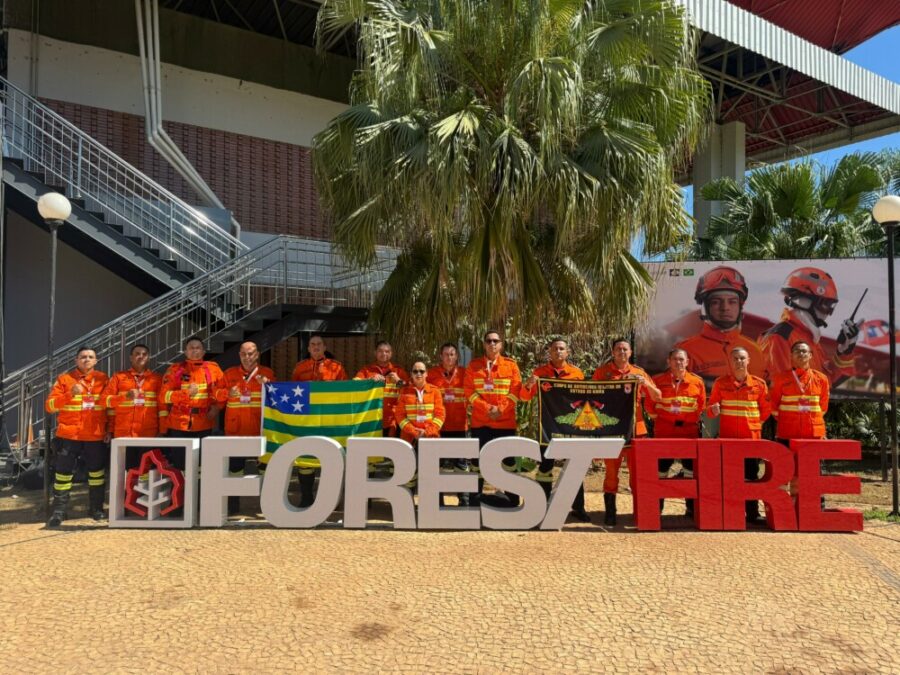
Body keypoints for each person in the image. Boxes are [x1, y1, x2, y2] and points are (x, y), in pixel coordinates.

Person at [591, 338, 662, 525]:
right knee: (611, 473)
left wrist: (646, 384)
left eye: (625, 349)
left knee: (637, 473)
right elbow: (590, 398)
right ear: (613, 352)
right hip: (612, 431)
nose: (622, 352)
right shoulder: (602, 372)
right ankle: (610, 512)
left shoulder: (639, 373)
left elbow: (658, 396)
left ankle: (639, 512)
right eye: (618, 349)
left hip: (636, 431)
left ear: (630, 353)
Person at [520, 338, 589, 522]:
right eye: (555, 349)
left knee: (574, 467)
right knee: (545, 467)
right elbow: (524, 397)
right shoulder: (540, 373)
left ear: (567, 352)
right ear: (549, 352)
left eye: (561, 349)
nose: (558, 352)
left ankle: (578, 507)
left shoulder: (576, 373)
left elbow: (583, 401)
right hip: (547, 428)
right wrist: (529, 383)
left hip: (571, 428)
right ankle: (541, 505)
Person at [759, 267, 860, 385]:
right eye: (825, 304)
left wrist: (844, 351)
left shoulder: (808, 339)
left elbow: (826, 382)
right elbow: (778, 389)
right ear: (803, 301)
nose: (828, 313)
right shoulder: (779, 337)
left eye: (831, 307)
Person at [44, 346, 110, 527]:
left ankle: (96, 509)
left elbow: (110, 408)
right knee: (63, 475)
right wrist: (69, 394)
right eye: (82, 357)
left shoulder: (103, 379)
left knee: (97, 474)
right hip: (69, 435)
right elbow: (50, 406)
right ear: (76, 360)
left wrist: (109, 430)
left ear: (96, 361)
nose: (86, 360)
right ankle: (59, 512)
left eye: (90, 357)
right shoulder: (65, 379)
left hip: (95, 435)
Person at [706, 347, 771, 523]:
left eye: (742, 358)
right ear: (730, 361)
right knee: (729, 477)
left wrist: (753, 425)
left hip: (750, 440)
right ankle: (729, 512)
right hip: (728, 440)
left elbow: (766, 411)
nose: (739, 362)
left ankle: (752, 513)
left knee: (751, 476)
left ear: (748, 360)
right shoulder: (720, 383)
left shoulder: (759, 384)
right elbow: (710, 411)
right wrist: (713, 410)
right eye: (735, 358)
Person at [675, 266, 766, 384]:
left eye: (732, 302)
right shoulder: (685, 351)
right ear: (704, 307)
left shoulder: (755, 351)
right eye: (716, 302)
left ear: (740, 306)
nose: (725, 308)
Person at [463, 330, 522, 507]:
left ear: (501, 344)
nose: (492, 344)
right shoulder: (473, 366)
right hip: (481, 422)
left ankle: (512, 500)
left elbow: (515, 392)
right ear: (484, 344)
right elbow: (469, 392)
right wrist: (488, 408)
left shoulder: (511, 365)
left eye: (495, 341)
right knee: (476, 464)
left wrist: (501, 409)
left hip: (505, 423)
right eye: (488, 341)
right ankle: (474, 501)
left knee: (509, 463)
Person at [646, 348, 706, 517]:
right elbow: (649, 404)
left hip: (689, 431)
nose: (678, 362)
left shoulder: (697, 382)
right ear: (668, 361)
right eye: (675, 359)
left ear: (687, 362)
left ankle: (691, 508)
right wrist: (660, 418)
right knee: (661, 469)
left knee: (689, 470)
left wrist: (689, 418)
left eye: (681, 359)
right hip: (665, 430)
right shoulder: (658, 380)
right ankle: (657, 508)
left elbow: (700, 405)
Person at [769, 340, 830, 501]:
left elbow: (822, 408)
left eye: (804, 351)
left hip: (814, 435)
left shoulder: (821, 379)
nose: (801, 354)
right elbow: (773, 406)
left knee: (814, 471)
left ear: (810, 355)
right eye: (797, 351)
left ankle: (817, 505)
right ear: (791, 356)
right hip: (787, 434)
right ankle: (785, 507)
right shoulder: (781, 378)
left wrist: (809, 422)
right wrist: (789, 421)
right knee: (785, 471)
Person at [292, 335, 348, 506]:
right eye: (312, 345)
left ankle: (330, 500)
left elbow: (345, 391)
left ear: (324, 347)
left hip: (330, 421)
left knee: (330, 459)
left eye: (319, 344)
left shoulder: (337, 367)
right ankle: (307, 497)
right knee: (305, 459)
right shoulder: (300, 367)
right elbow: (293, 391)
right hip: (307, 421)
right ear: (308, 348)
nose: (316, 347)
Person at [218, 342, 274, 513]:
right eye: (243, 354)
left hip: (260, 431)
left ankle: (268, 507)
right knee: (235, 470)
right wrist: (226, 393)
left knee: (265, 470)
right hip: (236, 431)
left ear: (257, 354)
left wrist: (268, 384)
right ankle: (233, 508)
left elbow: (276, 400)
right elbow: (216, 397)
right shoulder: (229, 374)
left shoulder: (267, 373)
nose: (247, 357)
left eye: (250, 354)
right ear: (239, 355)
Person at [426, 343, 470, 506]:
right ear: (440, 356)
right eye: (446, 354)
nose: (449, 357)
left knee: (461, 466)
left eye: (452, 354)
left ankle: (464, 500)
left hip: (460, 427)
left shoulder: (465, 373)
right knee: (436, 466)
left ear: (457, 356)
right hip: (438, 428)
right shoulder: (430, 374)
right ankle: (437, 502)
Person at [160, 336, 226, 438]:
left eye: (198, 347)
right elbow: (164, 396)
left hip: (204, 423)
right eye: (191, 348)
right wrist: (186, 393)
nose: (195, 350)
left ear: (203, 352)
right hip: (178, 424)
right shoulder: (175, 370)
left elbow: (225, 391)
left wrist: (217, 408)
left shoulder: (214, 369)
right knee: (179, 454)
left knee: (201, 454)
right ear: (186, 352)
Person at [395, 361, 446, 492]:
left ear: (426, 374)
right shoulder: (404, 392)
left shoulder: (435, 391)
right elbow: (400, 416)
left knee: (432, 475)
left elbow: (440, 415)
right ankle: (408, 506)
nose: (418, 374)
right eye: (415, 371)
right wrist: (414, 432)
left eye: (421, 371)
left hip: (431, 438)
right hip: (409, 439)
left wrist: (427, 432)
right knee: (409, 474)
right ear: (411, 374)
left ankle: (436, 506)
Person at [102, 344, 163, 439]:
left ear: (148, 358)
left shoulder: (157, 379)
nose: (141, 356)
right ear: (131, 358)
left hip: (148, 433)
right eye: (137, 354)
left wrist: (162, 431)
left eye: (144, 354)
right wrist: (125, 397)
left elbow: (162, 407)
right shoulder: (118, 377)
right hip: (123, 433)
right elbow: (104, 401)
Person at [354, 341, 409, 437]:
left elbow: (410, 391)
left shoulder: (399, 371)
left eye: (387, 351)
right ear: (375, 353)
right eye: (380, 351)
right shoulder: (367, 370)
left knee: (390, 449)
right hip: (371, 418)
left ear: (391, 354)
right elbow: (354, 384)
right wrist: (369, 380)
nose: (384, 354)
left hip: (393, 420)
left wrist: (399, 381)